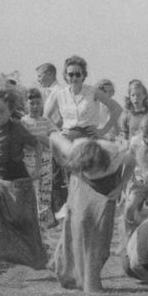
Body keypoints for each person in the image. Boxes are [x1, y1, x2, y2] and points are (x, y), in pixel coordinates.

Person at [49, 134, 135, 293]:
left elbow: (131, 162)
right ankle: (74, 273)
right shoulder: (73, 150)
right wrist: (61, 162)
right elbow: (53, 137)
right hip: (80, 180)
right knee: (79, 223)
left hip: (107, 186)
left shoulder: (114, 154)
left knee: (101, 232)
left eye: (94, 169)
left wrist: (121, 186)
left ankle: (91, 271)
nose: (92, 172)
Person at [0, 89, 48, 269]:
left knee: (26, 221)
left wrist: (38, 169)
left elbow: (37, 144)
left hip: (20, 181)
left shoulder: (17, 128)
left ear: (10, 112)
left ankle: (37, 259)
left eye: (0, 111)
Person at [43, 55, 123, 214]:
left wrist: (103, 130)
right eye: (70, 74)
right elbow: (45, 118)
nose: (74, 78)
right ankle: (67, 207)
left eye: (77, 74)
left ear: (83, 75)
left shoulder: (92, 91)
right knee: (69, 177)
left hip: (89, 138)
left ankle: (93, 207)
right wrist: (58, 131)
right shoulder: (59, 94)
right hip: (69, 139)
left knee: (90, 176)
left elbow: (117, 108)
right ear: (65, 75)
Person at [20, 87, 59, 226]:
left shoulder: (47, 122)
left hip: (46, 164)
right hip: (28, 165)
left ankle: (43, 233)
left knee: (45, 197)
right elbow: (25, 143)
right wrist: (37, 141)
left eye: (38, 103)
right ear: (26, 104)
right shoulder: (22, 122)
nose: (35, 106)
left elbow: (54, 142)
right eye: (32, 103)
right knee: (30, 196)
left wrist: (41, 138)